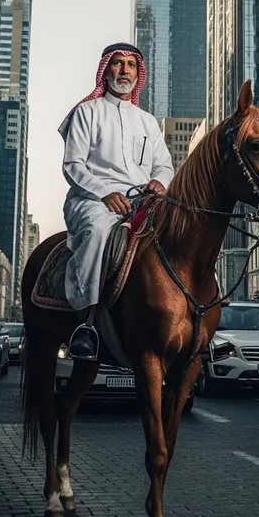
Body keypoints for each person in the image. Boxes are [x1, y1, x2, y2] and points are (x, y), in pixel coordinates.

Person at [59, 43, 174, 361]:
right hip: (91, 199)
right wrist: (105, 193)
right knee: (98, 231)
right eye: (118, 64)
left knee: (185, 228)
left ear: (139, 74)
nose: (125, 70)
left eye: (131, 65)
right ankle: (86, 322)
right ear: (106, 70)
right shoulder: (87, 112)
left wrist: (158, 182)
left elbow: (163, 164)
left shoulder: (148, 121)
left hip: (142, 201)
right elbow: (73, 166)